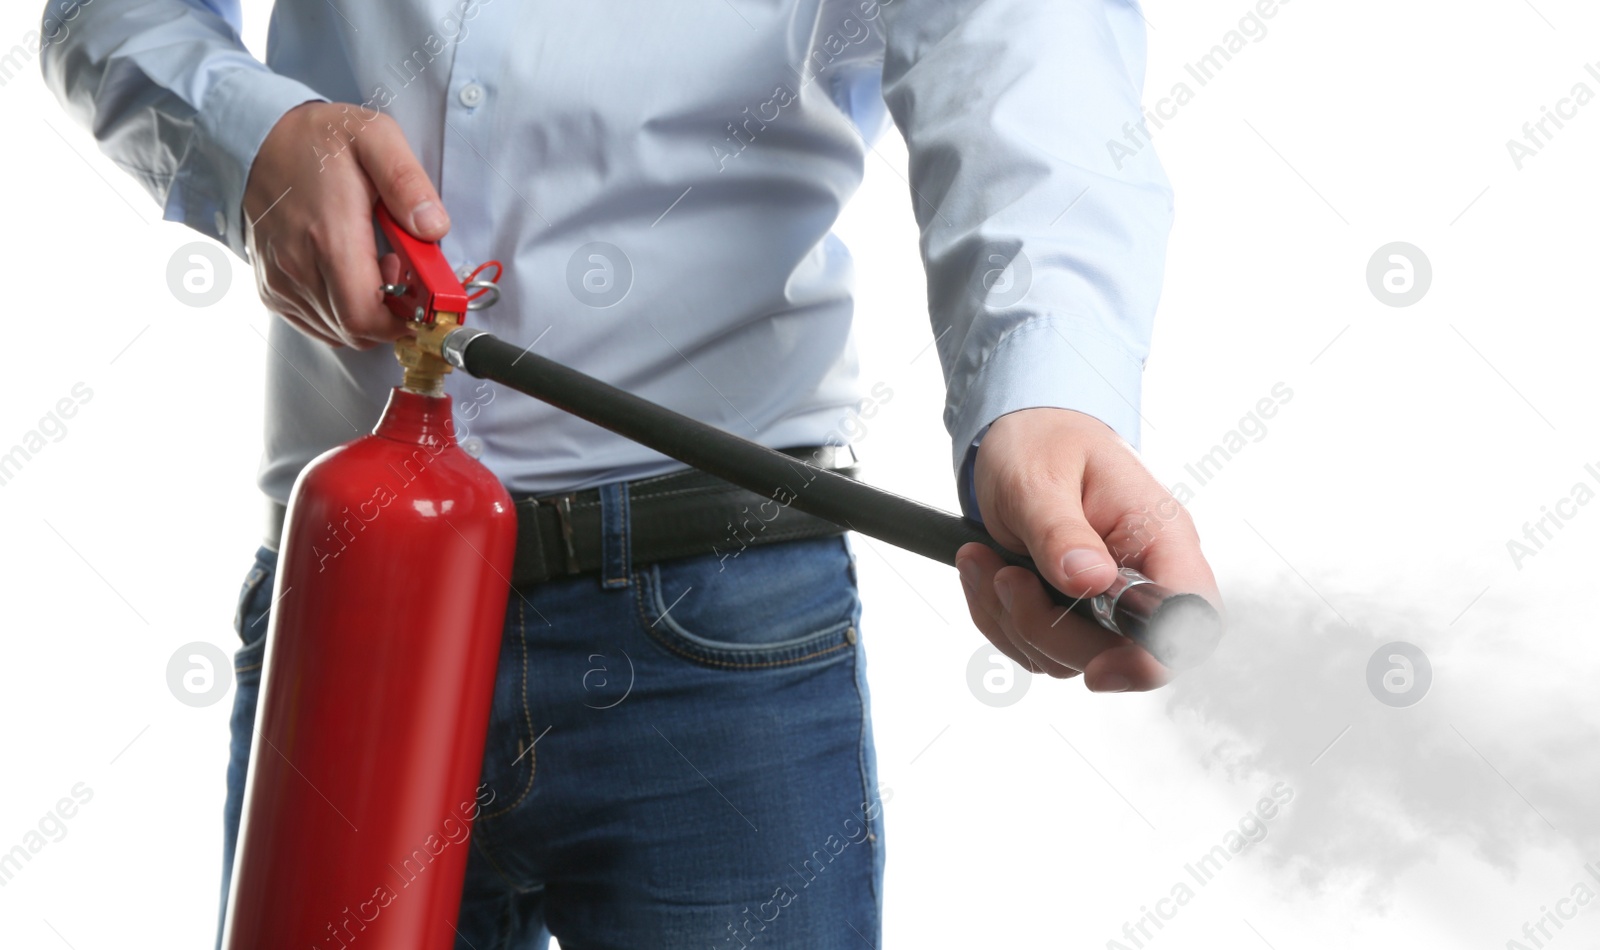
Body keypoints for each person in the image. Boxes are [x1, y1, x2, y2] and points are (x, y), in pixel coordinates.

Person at [43, 0, 1221, 946]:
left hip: (720, 629)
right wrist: (246, 135)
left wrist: (1042, 400)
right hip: (349, 608)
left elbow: (1022, 46)